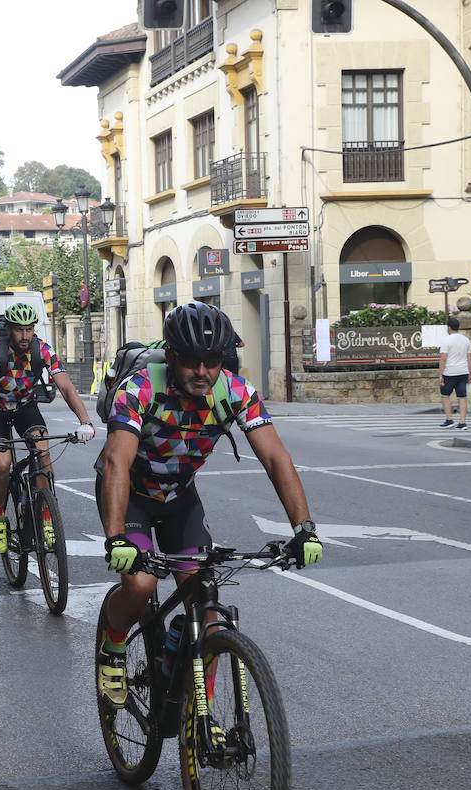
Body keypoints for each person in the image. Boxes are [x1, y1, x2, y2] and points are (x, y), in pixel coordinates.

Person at [94, 301, 322, 711]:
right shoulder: (140, 389)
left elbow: (276, 459)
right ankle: (113, 648)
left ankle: (201, 719)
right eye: (192, 363)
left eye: (212, 361)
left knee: (208, 608)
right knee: (142, 582)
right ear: (173, 357)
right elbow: (116, 462)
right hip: (130, 494)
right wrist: (115, 539)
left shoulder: (235, 392)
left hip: (180, 498)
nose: (202, 372)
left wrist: (303, 528)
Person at [0, 302, 95, 553]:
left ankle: (46, 515)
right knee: (2, 466)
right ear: (9, 330)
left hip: (25, 407)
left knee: (43, 453)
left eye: (29, 329)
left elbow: (67, 388)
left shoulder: (44, 351)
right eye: (19, 330)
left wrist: (86, 422)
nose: (25, 336)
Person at [438, 316, 471, 430]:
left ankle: (449, 420)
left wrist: (440, 374)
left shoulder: (446, 340)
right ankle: (462, 422)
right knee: (462, 397)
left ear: (449, 327)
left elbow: (443, 359)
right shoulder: (466, 340)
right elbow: (469, 358)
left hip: (449, 372)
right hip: (463, 372)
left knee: (445, 395)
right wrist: (470, 373)